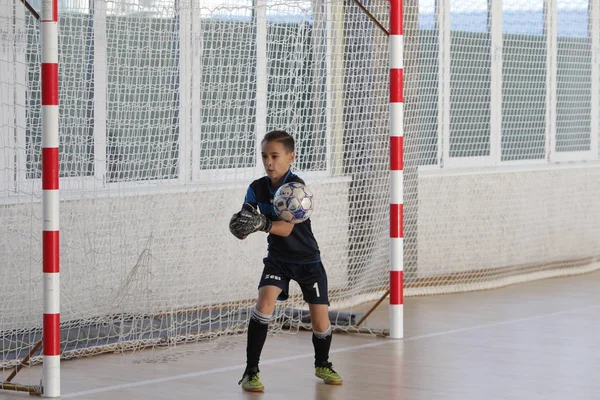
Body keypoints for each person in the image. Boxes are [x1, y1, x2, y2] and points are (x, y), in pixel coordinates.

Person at [229, 130, 343, 393]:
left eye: (275, 156)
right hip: (277, 260)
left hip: (308, 261)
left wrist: (262, 223)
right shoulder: (256, 188)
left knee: (319, 321)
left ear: (290, 157)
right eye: (264, 156)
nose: (269, 162)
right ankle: (251, 371)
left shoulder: (295, 187)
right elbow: (248, 221)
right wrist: (242, 227)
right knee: (264, 303)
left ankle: (323, 362)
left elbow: (285, 229)